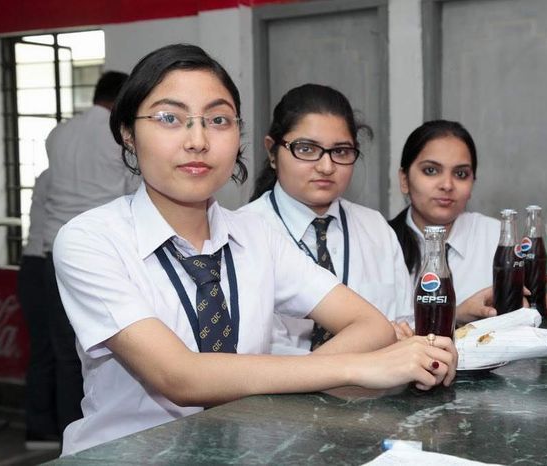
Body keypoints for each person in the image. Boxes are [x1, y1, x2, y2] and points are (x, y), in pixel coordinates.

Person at [52, 44, 457, 455]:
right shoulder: (91, 239)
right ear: (127, 134)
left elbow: (368, 323)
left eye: (218, 120)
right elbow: (179, 376)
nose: (198, 140)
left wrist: (318, 372)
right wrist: (358, 367)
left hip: (249, 451)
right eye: (169, 118)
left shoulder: (257, 235)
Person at [240, 83, 413, 354]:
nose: (326, 166)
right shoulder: (242, 233)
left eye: (341, 151)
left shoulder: (375, 228)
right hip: (277, 394)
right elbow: (253, 351)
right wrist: (372, 348)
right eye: (307, 149)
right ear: (272, 152)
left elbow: (405, 323)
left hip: (377, 394)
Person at [389, 120, 547, 334]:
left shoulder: (499, 238)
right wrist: (456, 315)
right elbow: (379, 329)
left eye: (461, 174)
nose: (447, 185)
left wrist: (540, 295)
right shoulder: (381, 242)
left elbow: (535, 298)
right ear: (404, 180)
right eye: (431, 170)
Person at [42, 70, 138, 439]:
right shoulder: (119, 137)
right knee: (106, 359)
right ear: (122, 99)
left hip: (56, 249)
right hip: (104, 252)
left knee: (66, 354)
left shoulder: (58, 133)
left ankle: (66, 435)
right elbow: (134, 189)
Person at [16, 170, 59, 450]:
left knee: (47, 351)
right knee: (49, 351)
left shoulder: (51, 175)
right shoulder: (55, 178)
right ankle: (41, 428)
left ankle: (42, 427)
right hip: (41, 263)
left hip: (36, 264)